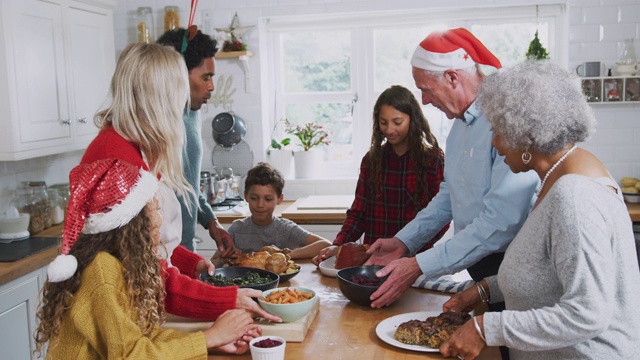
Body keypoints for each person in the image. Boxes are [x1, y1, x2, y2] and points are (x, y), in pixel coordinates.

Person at [440, 60, 640, 360]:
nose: (494, 143)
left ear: (525, 135)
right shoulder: (562, 178)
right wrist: (486, 290)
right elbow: (549, 274)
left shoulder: (574, 195)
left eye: (496, 131)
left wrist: (487, 328)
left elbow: (588, 312)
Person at [80, 42, 279, 322]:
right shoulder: (115, 161)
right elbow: (143, 273)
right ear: (159, 97)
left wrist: (191, 263)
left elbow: (149, 247)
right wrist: (226, 299)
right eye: (178, 94)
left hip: (140, 308)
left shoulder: (141, 147)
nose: (182, 106)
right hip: (117, 320)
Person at [365, 28, 539, 309]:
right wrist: (403, 242)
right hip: (479, 263)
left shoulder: (508, 120)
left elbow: (502, 221)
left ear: (452, 78)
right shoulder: (459, 126)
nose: (422, 101)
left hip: (512, 266)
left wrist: (420, 264)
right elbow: (448, 195)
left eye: (425, 89)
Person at [35, 158, 261, 358]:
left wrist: (211, 343)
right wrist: (208, 338)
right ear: (134, 223)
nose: (161, 220)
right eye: (156, 210)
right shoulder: (103, 271)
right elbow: (130, 355)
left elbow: (143, 341)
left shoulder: (125, 263)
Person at [312, 85, 448, 266]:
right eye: (383, 122)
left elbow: (441, 218)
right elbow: (358, 213)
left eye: (397, 122)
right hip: (372, 260)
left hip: (414, 261)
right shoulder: (371, 160)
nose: (389, 129)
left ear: (413, 120)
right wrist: (338, 245)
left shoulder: (433, 161)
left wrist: (408, 246)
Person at [156, 27, 235, 255]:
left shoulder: (193, 113)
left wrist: (212, 223)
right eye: (206, 77)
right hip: (161, 257)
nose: (211, 86)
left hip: (186, 251)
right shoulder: (155, 123)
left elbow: (187, 185)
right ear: (178, 74)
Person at [225, 162, 331, 258]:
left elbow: (325, 244)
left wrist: (285, 255)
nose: (260, 205)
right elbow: (218, 259)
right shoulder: (236, 229)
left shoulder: (286, 229)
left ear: (279, 199)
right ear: (245, 196)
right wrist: (223, 258)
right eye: (254, 198)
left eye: (268, 199)